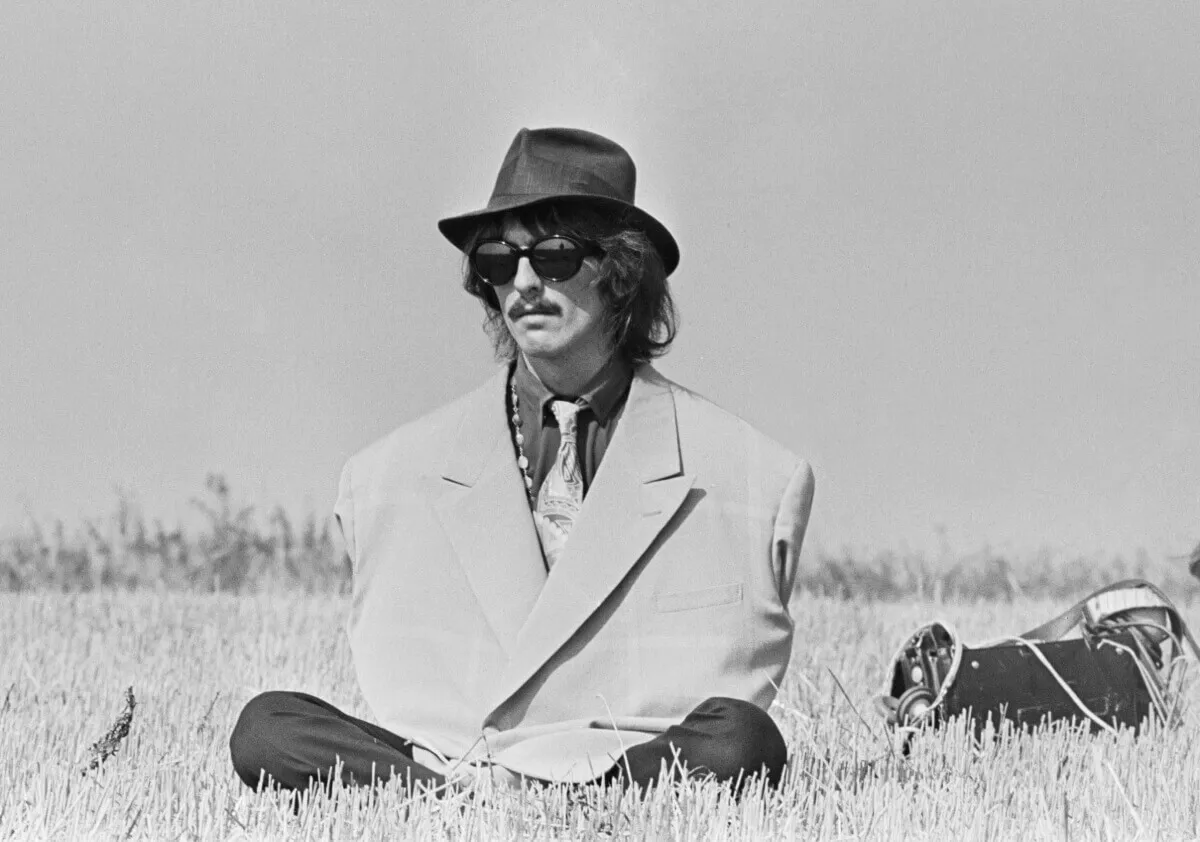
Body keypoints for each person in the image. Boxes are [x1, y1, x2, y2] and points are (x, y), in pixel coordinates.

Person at [229, 127, 816, 796]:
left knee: (744, 742)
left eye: (556, 255)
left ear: (621, 271)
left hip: (617, 767)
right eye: (500, 260)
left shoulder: (755, 474)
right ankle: (469, 802)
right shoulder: (381, 476)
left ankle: (538, 803)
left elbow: (731, 719)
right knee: (266, 728)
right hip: (447, 763)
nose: (525, 282)